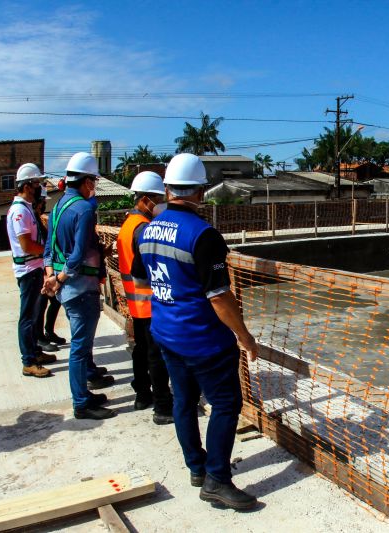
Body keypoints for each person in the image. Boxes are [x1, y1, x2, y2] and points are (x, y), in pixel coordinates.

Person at [132, 153, 259, 510]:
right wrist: (245, 337)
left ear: (167, 189)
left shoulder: (146, 230)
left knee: (183, 401)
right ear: (200, 192)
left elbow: (142, 280)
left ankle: (197, 468)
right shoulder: (204, 235)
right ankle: (217, 479)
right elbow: (219, 297)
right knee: (225, 404)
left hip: (166, 332)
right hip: (204, 339)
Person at [42, 152, 116, 420]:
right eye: (93, 182)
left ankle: (84, 394)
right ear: (86, 182)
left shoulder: (59, 206)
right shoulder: (84, 209)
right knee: (80, 349)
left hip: (66, 288)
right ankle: (81, 402)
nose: (94, 187)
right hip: (80, 288)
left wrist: (51, 275)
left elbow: (50, 247)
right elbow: (78, 254)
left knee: (80, 345)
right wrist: (60, 278)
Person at [116, 171, 173, 425]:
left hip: (135, 302)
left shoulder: (128, 224)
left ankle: (142, 393)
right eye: (158, 198)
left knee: (140, 349)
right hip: (149, 301)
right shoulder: (143, 229)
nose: (161, 203)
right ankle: (162, 406)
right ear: (146, 199)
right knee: (156, 355)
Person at [6, 163, 56, 378]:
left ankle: (35, 352)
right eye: (37, 184)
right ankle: (28, 361)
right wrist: (48, 251)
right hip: (28, 268)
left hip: (33, 266)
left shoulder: (26, 208)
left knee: (35, 314)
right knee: (27, 317)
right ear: (26, 186)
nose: (39, 188)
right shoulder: (19, 211)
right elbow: (26, 245)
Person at [33, 188, 66, 351]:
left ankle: (48, 331)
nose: (44, 205)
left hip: (44, 267)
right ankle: (39, 337)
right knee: (40, 304)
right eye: (43, 202)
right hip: (39, 267)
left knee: (54, 301)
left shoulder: (38, 219)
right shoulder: (33, 219)